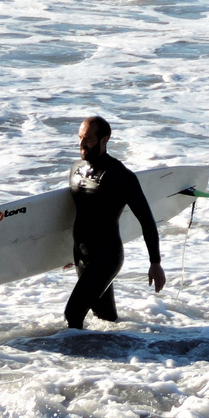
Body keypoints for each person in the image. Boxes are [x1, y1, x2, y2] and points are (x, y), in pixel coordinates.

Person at [65, 116, 165, 329]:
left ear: (104, 140)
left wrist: (155, 262)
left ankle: (71, 359)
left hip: (106, 256)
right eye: (80, 138)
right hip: (80, 256)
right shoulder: (76, 169)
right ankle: (120, 353)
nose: (82, 144)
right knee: (106, 318)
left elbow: (146, 220)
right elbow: (75, 215)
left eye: (88, 139)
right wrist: (61, 253)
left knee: (73, 313)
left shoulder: (120, 176)